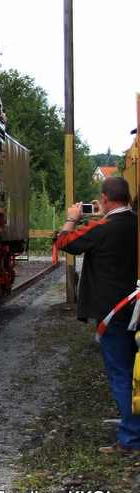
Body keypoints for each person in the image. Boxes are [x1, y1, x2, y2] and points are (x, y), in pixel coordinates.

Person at [57, 175, 140, 455]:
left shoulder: (104, 228)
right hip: (135, 309)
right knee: (135, 373)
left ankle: (131, 440)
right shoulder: (135, 223)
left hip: (113, 314)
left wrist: (72, 217)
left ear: (104, 199)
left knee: (121, 374)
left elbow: (65, 241)